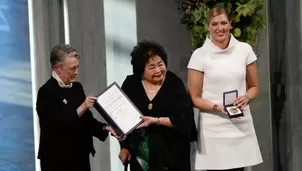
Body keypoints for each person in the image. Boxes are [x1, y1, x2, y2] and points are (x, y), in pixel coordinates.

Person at [187, 7, 263, 171]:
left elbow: (255, 87)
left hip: (239, 124)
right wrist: (216, 107)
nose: (219, 28)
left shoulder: (245, 50)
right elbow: (194, 97)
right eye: (214, 24)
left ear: (230, 24)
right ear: (208, 26)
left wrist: (247, 98)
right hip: (213, 129)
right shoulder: (199, 55)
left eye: (223, 23)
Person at [36, 44, 120, 171]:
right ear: (58, 68)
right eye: (72, 68)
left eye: (77, 67)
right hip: (56, 161)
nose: (76, 72)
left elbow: (86, 120)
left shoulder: (77, 88)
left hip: (80, 158)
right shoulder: (46, 92)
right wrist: (83, 106)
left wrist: (106, 127)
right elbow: (58, 125)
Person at [118, 40, 197, 171]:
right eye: (151, 67)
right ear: (141, 71)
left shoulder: (174, 84)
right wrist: (124, 147)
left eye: (160, 64)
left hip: (171, 154)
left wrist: (157, 121)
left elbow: (185, 121)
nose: (158, 70)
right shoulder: (131, 84)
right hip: (140, 155)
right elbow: (121, 119)